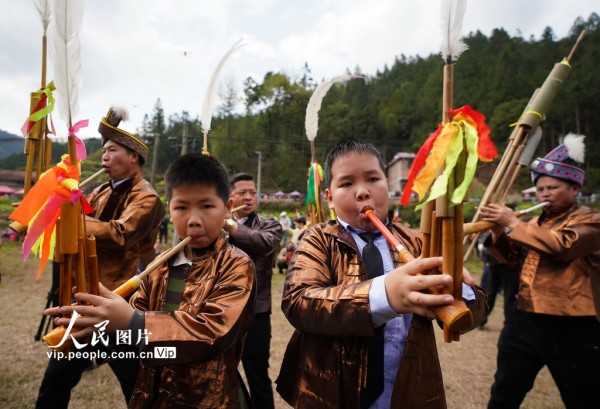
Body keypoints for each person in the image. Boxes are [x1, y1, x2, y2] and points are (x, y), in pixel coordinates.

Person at [276, 138, 488, 408]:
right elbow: (298, 303)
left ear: (387, 186)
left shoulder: (420, 242)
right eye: (346, 184)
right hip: (333, 395)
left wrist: (456, 287)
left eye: (373, 179)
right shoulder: (318, 239)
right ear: (329, 197)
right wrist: (385, 295)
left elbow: (475, 312)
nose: (362, 192)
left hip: (409, 392)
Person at [47, 153, 256, 408]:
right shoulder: (160, 266)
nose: (193, 220)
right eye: (181, 208)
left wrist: (133, 322)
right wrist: (100, 320)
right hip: (153, 392)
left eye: (207, 207)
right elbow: (135, 318)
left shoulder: (237, 265)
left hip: (206, 397)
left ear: (228, 208)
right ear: (170, 209)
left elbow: (212, 333)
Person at [36, 107, 165, 409]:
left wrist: (72, 218)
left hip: (121, 301)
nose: (104, 156)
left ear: (134, 157)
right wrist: (60, 200)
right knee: (56, 381)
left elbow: (121, 234)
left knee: (136, 385)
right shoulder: (101, 191)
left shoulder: (147, 198)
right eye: (103, 150)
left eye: (112, 150)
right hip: (86, 298)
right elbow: (78, 224)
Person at [480, 134, 600, 409]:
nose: (544, 193)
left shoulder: (591, 221)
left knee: (584, 397)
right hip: (525, 320)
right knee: (504, 393)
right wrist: (498, 232)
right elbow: (511, 261)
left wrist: (512, 223)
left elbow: (563, 247)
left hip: (574, 325)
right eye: (540, 188)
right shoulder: (533, 223)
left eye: (553, 187)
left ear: (574, 189)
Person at [224, 173, 282, 409]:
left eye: (252, 193)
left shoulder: (270, 224)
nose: (248, 197)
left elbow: (264, 243)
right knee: (221, 374)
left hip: (256, 312)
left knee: (258, 375)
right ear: (230, 198)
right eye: (242, 193)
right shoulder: (217, 226)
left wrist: (229, 225)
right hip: (222, 312)